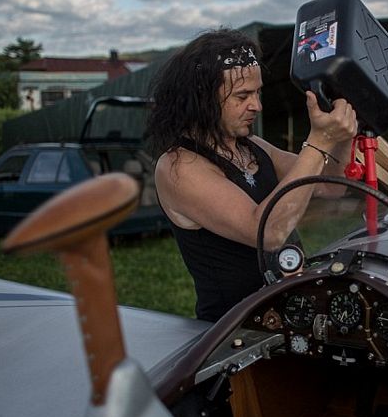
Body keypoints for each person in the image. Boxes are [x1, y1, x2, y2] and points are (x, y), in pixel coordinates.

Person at [146, 28, 358, 322]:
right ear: (202, 98)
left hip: (289, 315)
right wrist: (320, 141)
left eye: (257, 92)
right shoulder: (179, 166)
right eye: (242, 95)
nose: (256, 105)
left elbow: (330, 187)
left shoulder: (253, 146)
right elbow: (268, 232)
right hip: (235, 331)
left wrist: (344, 130)